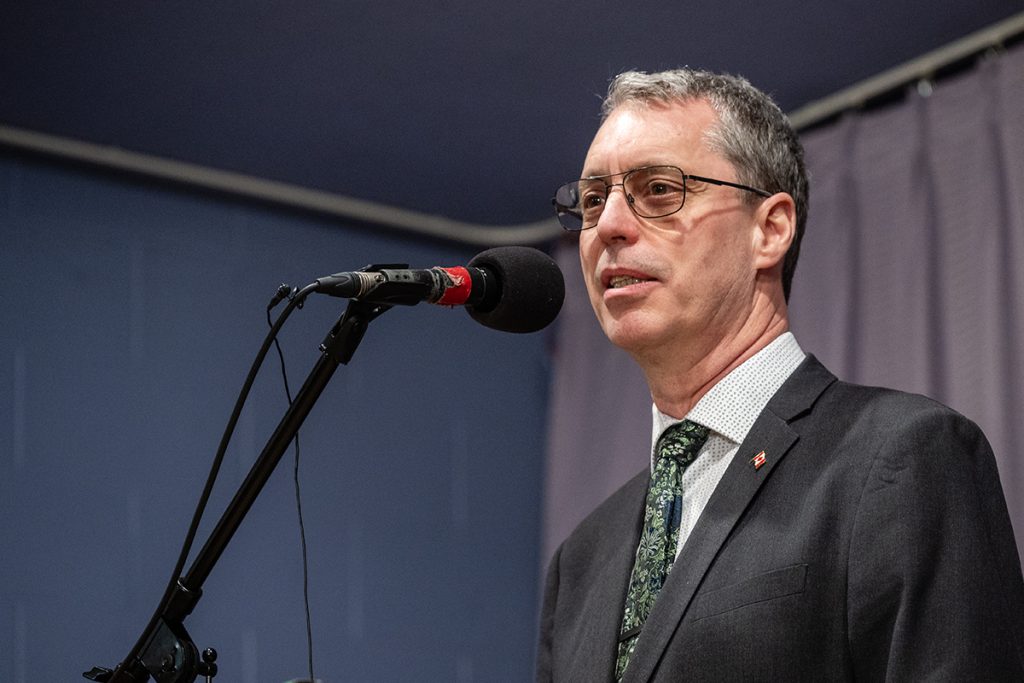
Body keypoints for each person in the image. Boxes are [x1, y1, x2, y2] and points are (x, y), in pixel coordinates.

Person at [536, 68, 1024, 682]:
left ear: (770, 229)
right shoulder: (580, 560)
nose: (607, 225)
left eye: (658, 189)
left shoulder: (905, 458)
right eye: (591, 200)